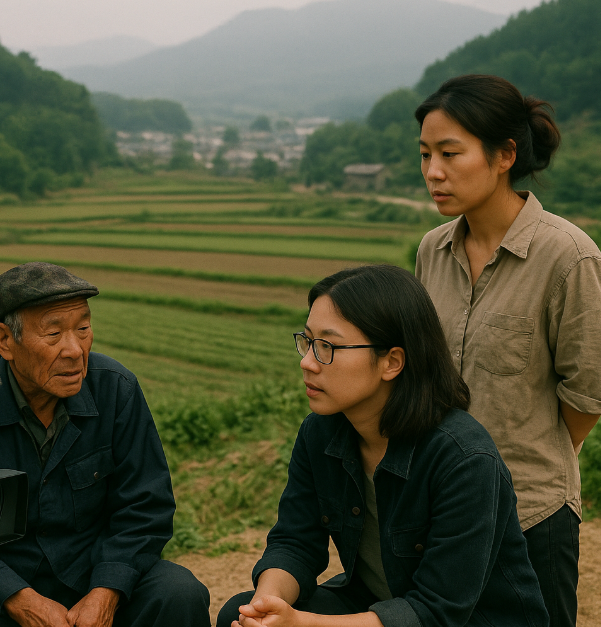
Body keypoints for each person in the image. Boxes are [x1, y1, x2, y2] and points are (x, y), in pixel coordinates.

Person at [217, 265, 548, 627]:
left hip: (470, 621)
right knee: (237, 611)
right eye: (308, 341)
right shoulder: (321, 433)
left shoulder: (464, 458)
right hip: (376, 604)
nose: (308, 362)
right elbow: (295, 542)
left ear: (392, 361)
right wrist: (267, 605)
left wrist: (300, 624)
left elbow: (436, 611)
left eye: (328, 346)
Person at [0, 262, 210, 627]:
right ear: (5, 340)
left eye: (83, 329)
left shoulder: (116, 390)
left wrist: (106, 591)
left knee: (178, 591)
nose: (74, 350)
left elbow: (146, 507)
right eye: (53, 334)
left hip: (90, 578)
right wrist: (16, 597)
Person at [414, 74, 601, 627]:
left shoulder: (568, 257)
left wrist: (513, 462)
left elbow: (587, 398)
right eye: (425, 155)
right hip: (442, 513)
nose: (433, 172)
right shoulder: (433, 250)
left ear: (504, 155)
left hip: (531, 515)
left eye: (450, 153)